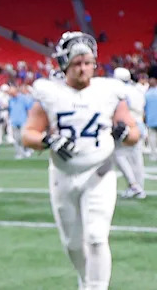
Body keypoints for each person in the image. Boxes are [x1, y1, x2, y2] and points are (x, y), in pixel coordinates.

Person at [22, 32, 139, 290]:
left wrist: (125, 133)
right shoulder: (50, 93)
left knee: (97, 237)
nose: (83, 68)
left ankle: (96, 287)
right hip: (62, 173)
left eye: (87, 62)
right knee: (72, 244)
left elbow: (133, 133)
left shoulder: (108, 91)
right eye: (77, 63)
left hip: (100, 171)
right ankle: (87, 281)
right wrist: (48, 140)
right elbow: (28, 134)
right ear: (65, 64)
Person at [112, 67, 146, 198]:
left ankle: (134, 185)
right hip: (140, 124)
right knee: (137, 159)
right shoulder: (137, 89)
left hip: (126, 125)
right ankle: (139, 187)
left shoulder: (120, 91)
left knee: (119, 155)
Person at [7, 84, 34, 159]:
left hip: (23, 121)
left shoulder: (23, 98)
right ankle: (19, 153)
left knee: (23, 138)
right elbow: (10, 110)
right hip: (14, 122)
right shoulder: (10, 100)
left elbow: (28, 109)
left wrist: (30, 120)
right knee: (16, 139)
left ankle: (26, 150)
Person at [146, 77, 157, 161]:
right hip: (152, 119)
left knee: (152, 138)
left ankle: (153, 155)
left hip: (151, 119)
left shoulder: (147, 94)